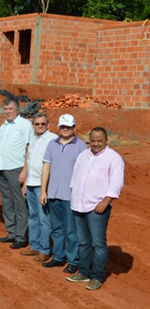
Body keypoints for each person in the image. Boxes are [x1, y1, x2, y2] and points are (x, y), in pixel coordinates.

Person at [67, 127, 124, 290]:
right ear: (89, 141)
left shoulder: (114, 158)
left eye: (99, 141)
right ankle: (84, 272)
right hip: (79, 204)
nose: (96, 144)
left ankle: (97, 276)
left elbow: (116, 182)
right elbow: (74, 177)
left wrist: (106, 201)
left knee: (98, 243)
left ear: (106, 141)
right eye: (93, 140)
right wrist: (74, 196)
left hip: (97, 207)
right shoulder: (83, 155)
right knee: (84, 242)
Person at [41, 114, 88, 273]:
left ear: (74, 128)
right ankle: (58, 257)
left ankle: (73, 260)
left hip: (71, 196)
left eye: (68, 127)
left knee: (70, 230)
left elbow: (84, 171)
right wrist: (43, 191)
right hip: (53, 194)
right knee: (56, 228)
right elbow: (46, 168)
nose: (65, 129)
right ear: (59, 127)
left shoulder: (81, 146)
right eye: (63, 126)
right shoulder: (52, 144)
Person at [0, 97, 33, 249]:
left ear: (17, 110)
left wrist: (24, 172)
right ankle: (12, 232)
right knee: (7, 203)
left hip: (16, 169)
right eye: (5, 109)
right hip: (3, 169)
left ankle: (21, 236)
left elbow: (29, 149)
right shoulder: (3, 127)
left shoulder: (25, 125)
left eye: (10, 109)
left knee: (20, 203)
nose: (7, 112)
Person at [20, 113, 57, 261]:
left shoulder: (53, 139)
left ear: (47, 125)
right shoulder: (33, 139)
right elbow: (29, 160)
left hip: (42, 186)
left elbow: (53, 164)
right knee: (33, 216)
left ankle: (44, 249)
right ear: (33, 125)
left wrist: (46, 187)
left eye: (42, 124)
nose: (40, 126)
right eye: (37, 124)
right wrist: (25, 184)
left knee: (44, 218)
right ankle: (34, 246)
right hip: (30, 184)